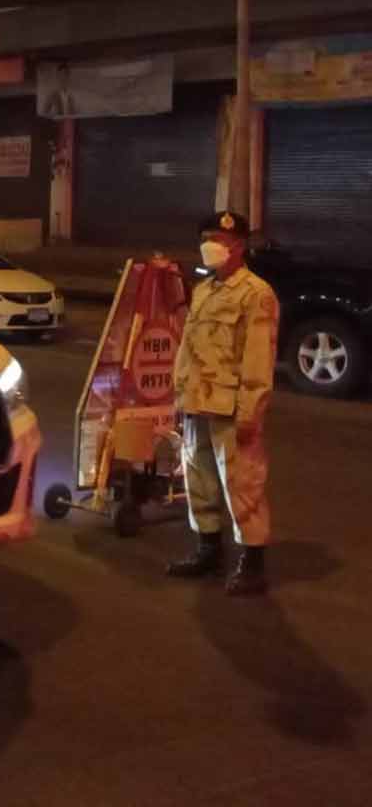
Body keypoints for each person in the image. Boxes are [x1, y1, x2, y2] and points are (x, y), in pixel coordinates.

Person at [167, 211, 279, 596]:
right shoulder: (203, 290)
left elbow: (258, 361)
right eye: (207, 237)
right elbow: (188, 349)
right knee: (198, 478)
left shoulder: (256, 294)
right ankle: (208, 549)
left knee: (242, 483)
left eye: (220, 239)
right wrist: (179, 397)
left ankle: (253, 560)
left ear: (240, 246)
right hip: (197, 401)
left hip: (232, 406)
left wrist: (251, 412)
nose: (210, 246)